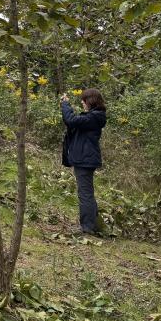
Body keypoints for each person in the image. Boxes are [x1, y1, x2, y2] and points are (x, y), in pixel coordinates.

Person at [61, 88, 106, 235]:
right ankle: (92, 225)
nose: (82, 102)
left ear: (90, 101)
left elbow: (71, 120)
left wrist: (65, 105)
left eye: (84, 100)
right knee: (87, 193)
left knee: (85, 193)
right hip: (85, 159)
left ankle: (87, 227)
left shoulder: (93, 117)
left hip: (85, 160)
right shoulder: (94, 117)